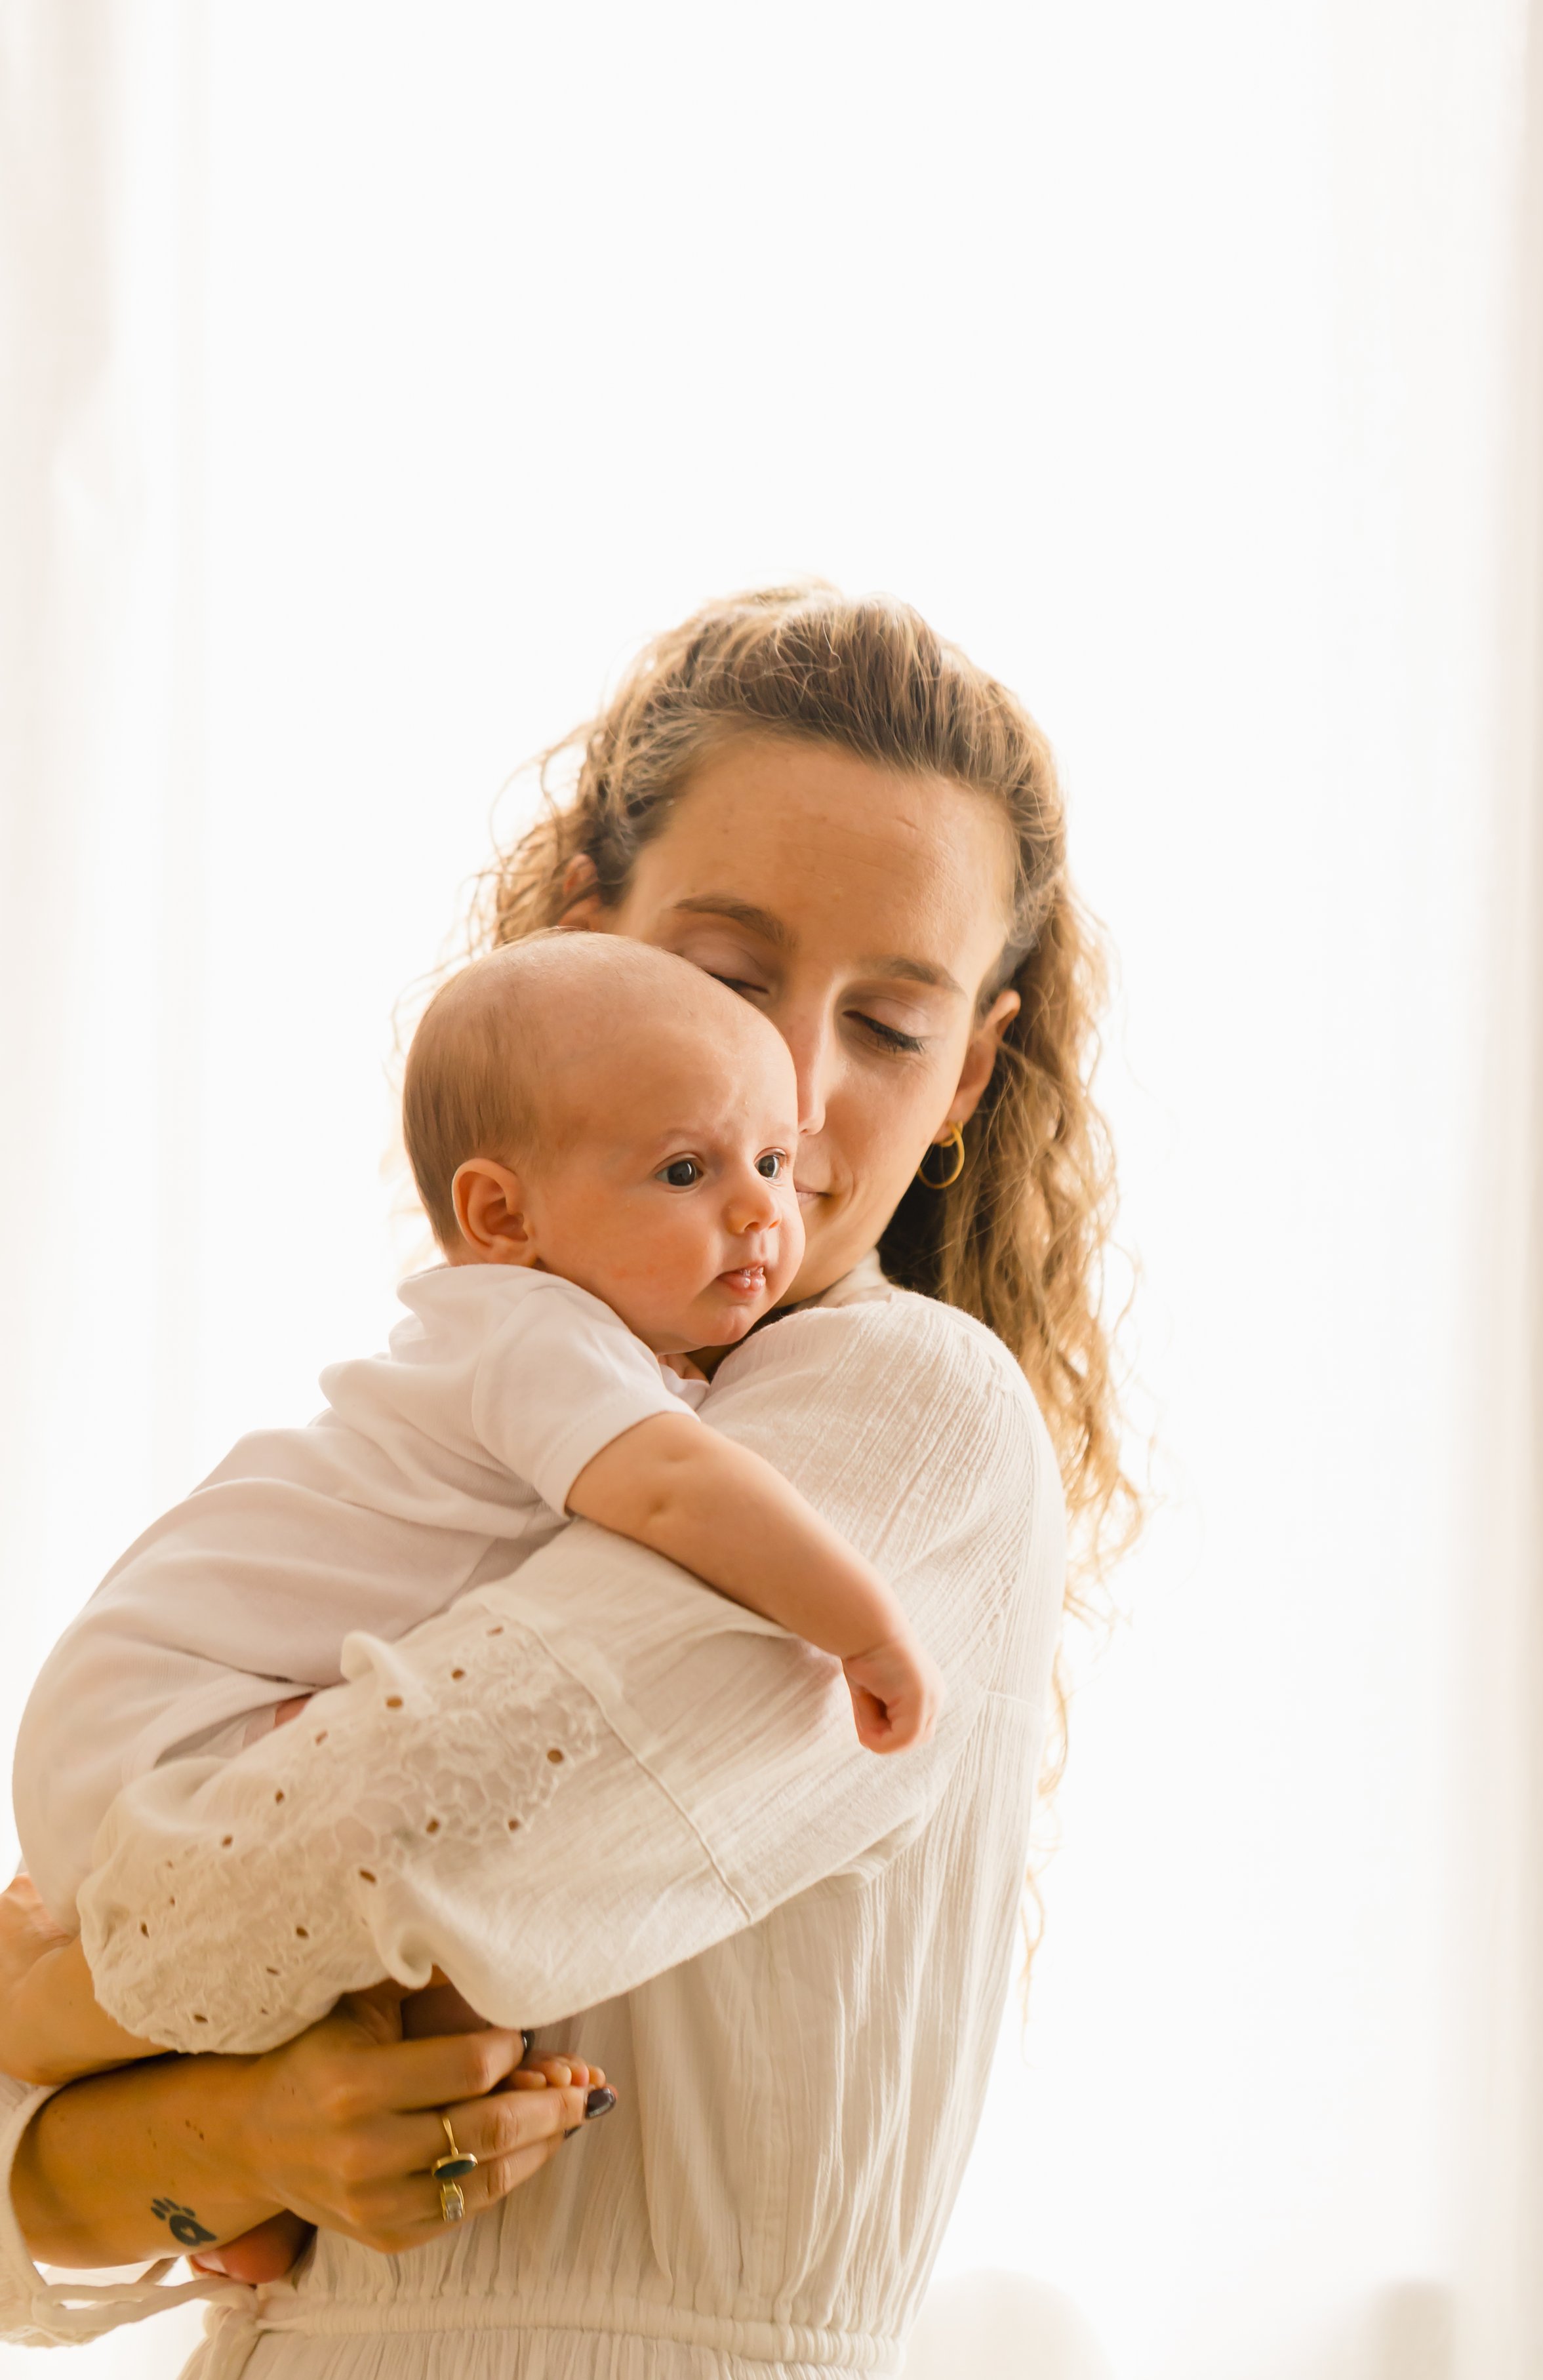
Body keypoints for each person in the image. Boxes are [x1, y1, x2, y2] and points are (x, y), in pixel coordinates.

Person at [0, 585, 1134, 2378]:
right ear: (572, 930)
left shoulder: (905, 1411)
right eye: (730, 974)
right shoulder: (476, 1423)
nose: (799, 1091)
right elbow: (25, 2212)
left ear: (974, 1069)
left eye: (894, 1023)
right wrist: (240, 2134)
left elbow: (362, 1852)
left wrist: (41, 2000)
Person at [10, 934, 940, 1983]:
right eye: (687, 1168)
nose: (762, 1208)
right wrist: (863, 1627)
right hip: (156, 1720)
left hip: (115, 1738)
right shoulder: (536, 1333)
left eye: (772, 1159)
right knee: (414, 1826)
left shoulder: (558, 1344)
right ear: (503, 1216)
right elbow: (682, 1494)